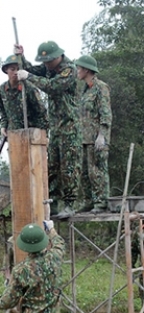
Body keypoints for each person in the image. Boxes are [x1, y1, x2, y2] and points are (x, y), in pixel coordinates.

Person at [15, 41, 83, 219]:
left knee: (69, 166)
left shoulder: (69, 70)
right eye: (44, 62)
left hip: (70, 126)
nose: (46, 65)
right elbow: (32, 70)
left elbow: (53, 87)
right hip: (56, 126)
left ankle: (69, 204)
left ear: (58, 57)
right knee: (52, 166)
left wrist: (28, 77)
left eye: (48, 62)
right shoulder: (48, 69)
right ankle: (52, 202)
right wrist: (21, 57)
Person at [75, 55, 112, 214]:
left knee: (96, 171)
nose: (77, 71)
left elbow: (106, 113)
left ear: (87, 69)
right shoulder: (84, 90)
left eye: (79, 68)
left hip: (97, 139)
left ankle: (101, 202)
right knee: (84, 172)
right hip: (84, 138)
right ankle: (89, 201)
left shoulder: (101, 87)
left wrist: (102, 135)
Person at [0, 54, 48, 137]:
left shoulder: (29, 88)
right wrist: (3, 126)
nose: (15, 72)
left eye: (18, 69)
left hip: (31, 134)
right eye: (12, 69)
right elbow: (3, 110)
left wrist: (42, 135)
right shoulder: (2, 89)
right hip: (13, 134)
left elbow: (41, 113)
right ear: (6, 70)